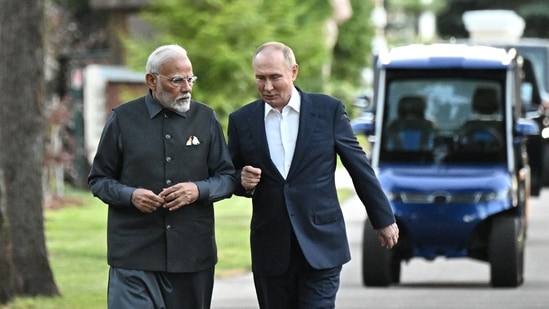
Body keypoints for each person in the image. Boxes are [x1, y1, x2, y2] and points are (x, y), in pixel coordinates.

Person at [227, 41, 399, 308]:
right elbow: (229, 175)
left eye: (275, 77)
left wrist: (383, 219)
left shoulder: (328, 111)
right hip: (271, 248)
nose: (267, 87)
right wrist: (241, 181)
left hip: (322, 243)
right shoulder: (241, 120)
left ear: (293, 72)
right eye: (260, 78)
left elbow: (359, 167)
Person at [88, 44, 236, 309]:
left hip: (192, 255)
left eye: (190, 79)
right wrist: (130, 195)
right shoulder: (122, 119)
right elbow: (99, 179)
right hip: (133, 256)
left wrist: (197, 190)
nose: (187, 87)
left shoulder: (206, 118)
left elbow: (226, 177)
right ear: (151, 80)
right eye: (177, 80)